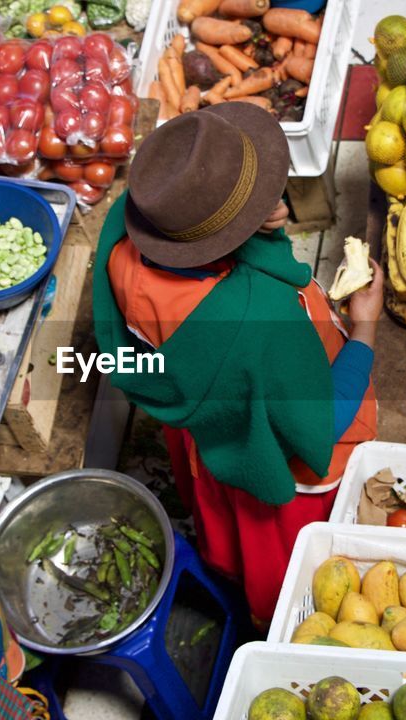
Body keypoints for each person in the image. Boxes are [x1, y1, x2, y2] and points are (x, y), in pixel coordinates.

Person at [92, 102, 381, 623]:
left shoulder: (127, 237)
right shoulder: (256, 322)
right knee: (290, 560)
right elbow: (320, 422)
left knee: (230, 525)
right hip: (277, 456)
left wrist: (259, 227)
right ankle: (277, 616)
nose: (275, 198)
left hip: (215, 434)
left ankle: (227, 568)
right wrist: (364, 329)